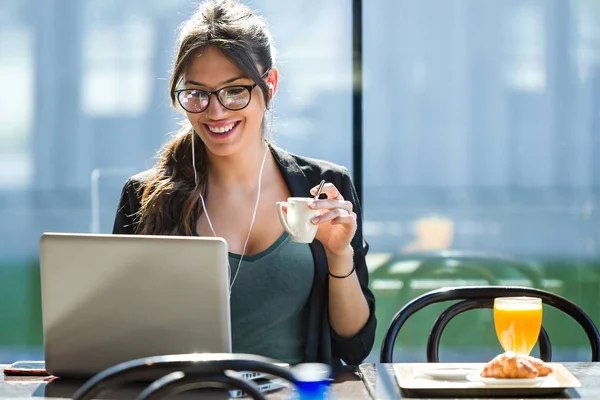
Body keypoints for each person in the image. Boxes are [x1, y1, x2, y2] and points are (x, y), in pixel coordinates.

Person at [112, 0, 376, 369]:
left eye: (235, 90)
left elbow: (354, 346)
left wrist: (339, 255)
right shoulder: (143, 197)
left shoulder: (324, 187)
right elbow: (120, 334)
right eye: (197, 93)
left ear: (269, 85)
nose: (216, 111)